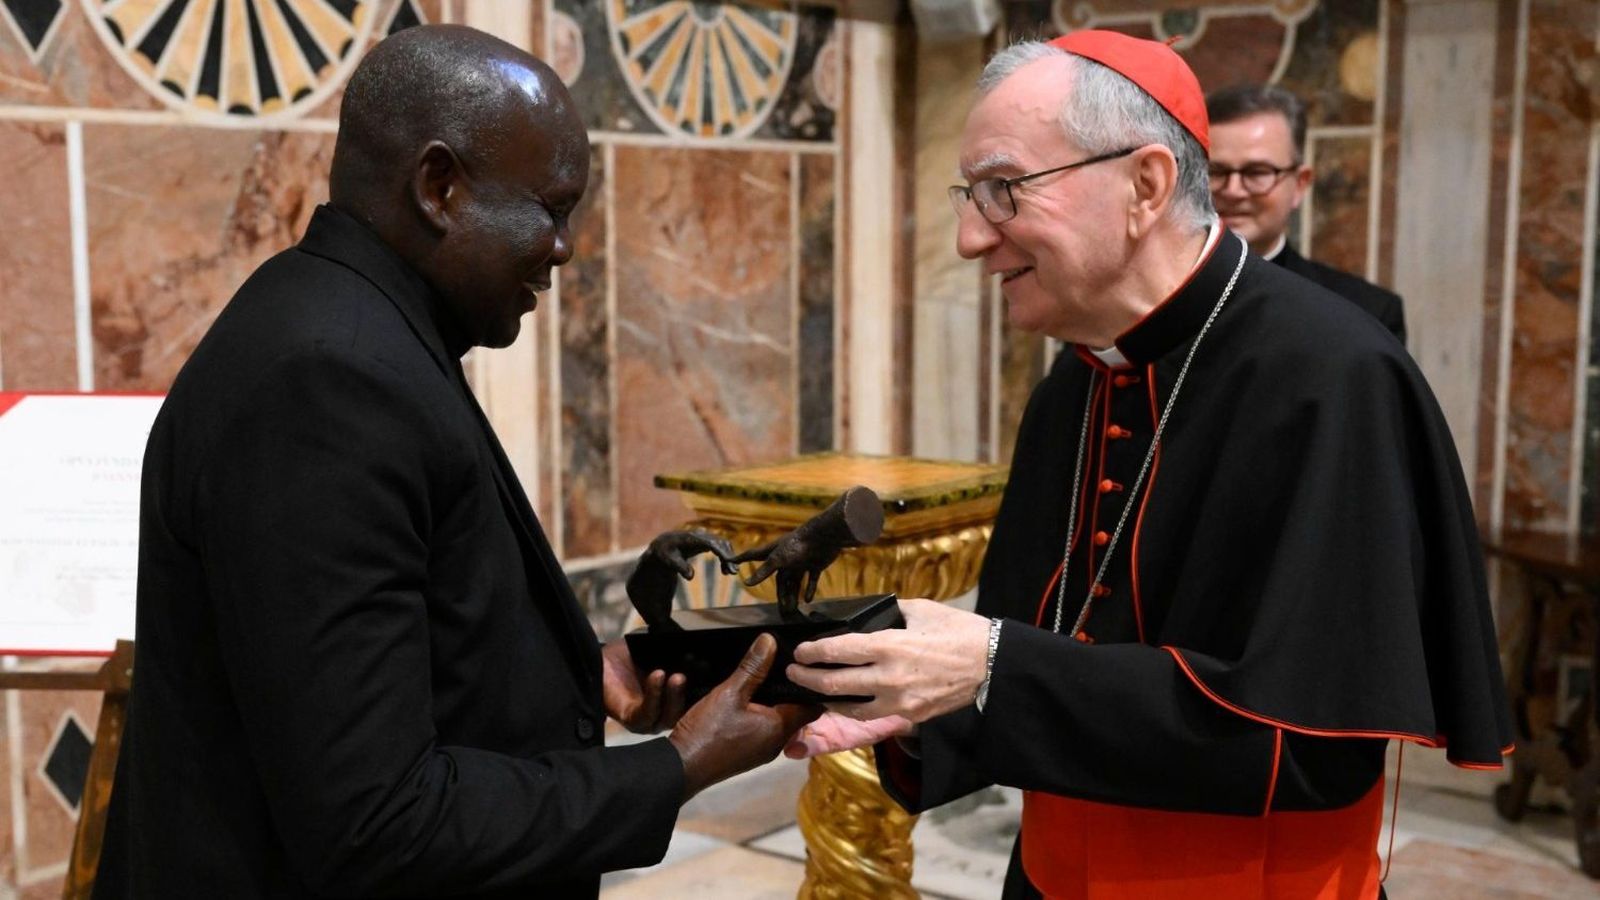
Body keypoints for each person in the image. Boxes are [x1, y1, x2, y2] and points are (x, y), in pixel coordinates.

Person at [783, 31, 1511, 900]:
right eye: (970, 195)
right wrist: (911, 711)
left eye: (1003, 190)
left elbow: (1306, 741)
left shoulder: (1333, 378)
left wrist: (990, 667)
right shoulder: (1075, 382)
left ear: (1146, 184)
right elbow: (1030, 646)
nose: (971, 239)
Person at [95, 25, 813, 899]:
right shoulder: (327, 381)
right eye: (549, 209)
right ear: (439, 187)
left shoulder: (358, 329)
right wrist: (679, 767)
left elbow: (386, 642)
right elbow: (376, 820)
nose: (564, 249)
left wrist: (574, 676)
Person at [1206, 83, 1407, 342]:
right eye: (1215, 172)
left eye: (1257, 172)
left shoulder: (1365, 313)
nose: (1233, 191)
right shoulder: (1147, 301)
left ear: (1300, 184)